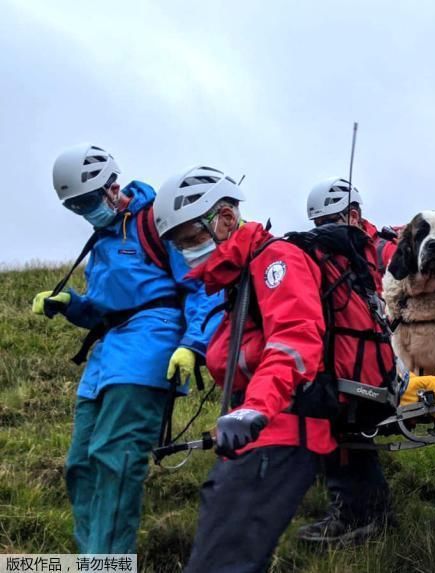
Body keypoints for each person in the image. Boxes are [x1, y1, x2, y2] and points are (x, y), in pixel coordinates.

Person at [153, 166, 396, 572]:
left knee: (223, 560)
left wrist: (256, 408)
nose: (187, 252)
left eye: (191, 239)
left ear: (226, 219)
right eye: (179, 245)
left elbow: (295, 341)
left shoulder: (275, 261)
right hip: (260, 431)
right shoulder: (239, 276)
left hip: (280, 430)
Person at [33, 144, 219, 554]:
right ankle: (93, 557)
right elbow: (104, 310)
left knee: (115, 459)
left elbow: (203, 285)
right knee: (80, 464)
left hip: (148, 347)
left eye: (86, 201)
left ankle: (108, 560)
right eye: (74, 207)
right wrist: (72, 305)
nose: (84, 211)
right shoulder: (100, 241)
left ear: (112, 187)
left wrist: (193, 344)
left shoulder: (158, 223)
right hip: (105, 357)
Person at [297, 176, 397, 545]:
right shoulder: (327, 252)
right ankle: (364, 512)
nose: (324, 231)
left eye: (331, 222)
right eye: (318, 225)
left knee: (346, 430)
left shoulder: (383, 247)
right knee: (341, 430)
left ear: (353, 214)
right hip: (342, 356)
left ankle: (362, 513)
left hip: (377, 357)